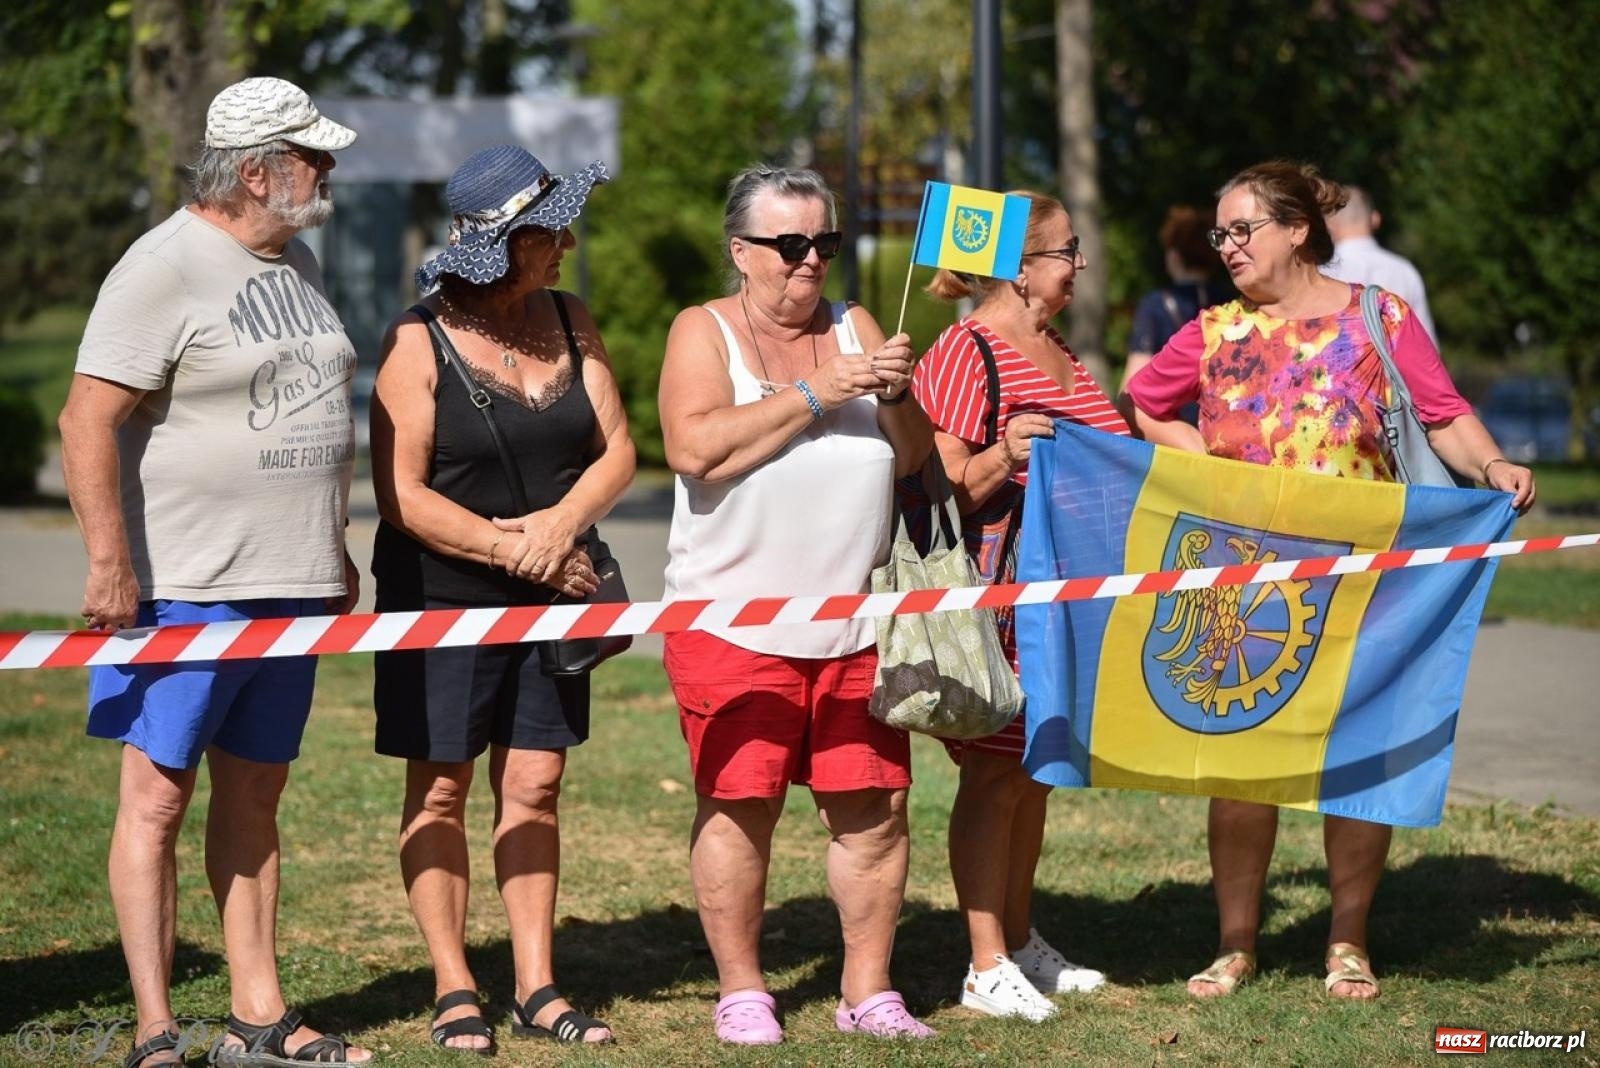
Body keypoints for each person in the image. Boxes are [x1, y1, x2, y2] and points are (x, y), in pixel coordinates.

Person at [1120, 161, 1535, 1002]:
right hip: (1245, 585)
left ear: (1297, 230)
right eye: (1220, 233)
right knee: (1241, 765)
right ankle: (1236, 944)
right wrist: (1205, 469)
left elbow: (1443, 413)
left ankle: (1348, 940)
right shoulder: (1212, 331)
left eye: (1243, 229)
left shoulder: (1379, 317)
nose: (1226, 246)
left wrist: (1492, 465)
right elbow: (1144, 402)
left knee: (1357, 758)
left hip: (1365, 577)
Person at [57, 77, 371, 1068]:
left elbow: (317, 410)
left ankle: (257, 1018)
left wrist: (334, 545)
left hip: (292, 585)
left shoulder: (297, 258)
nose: (327, 168)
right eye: (310, 155)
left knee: (257, 795)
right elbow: (85, 420)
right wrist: (110, 565)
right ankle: (155, 1030)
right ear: (256, 172)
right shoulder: (160, 267)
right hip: (190, 586)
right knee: (157, 799)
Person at [657, 165, 935, 1045]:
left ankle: (869, 990)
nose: (810, 259)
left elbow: (912, 457)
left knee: (875, 810)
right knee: (742, 806)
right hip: (731, 625)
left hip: (856, 623)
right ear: (741, 251)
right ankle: (743, 990)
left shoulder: (857, 324)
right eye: (789, 244)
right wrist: (818, 393)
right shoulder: (702, 330)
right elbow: (694, 450)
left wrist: (895, 394)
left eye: (825, 242)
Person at [368, 144, 632, 1053]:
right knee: (440, 788)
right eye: (551, 231)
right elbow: (401, 496)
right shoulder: (414, 340)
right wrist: (525, 553)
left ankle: (537, 985)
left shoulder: (570, 314)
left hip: (556, 588)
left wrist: (562, 527)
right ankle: (453, 986)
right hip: (440, 595)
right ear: (506, 243)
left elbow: (619, 450)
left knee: (537, 784)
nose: (567, 244)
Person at [912, 192, 1127, 1023]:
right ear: (1021, 267)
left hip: (1062, 599)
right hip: (1002, 600)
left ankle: (1020, 937)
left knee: (1033, 775)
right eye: (1066, 250)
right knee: (996, 775)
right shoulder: (968, 351)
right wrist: (1005, 452)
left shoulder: (1055, 346)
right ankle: (984, 962)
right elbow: (939, 487)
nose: (1080, 263)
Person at [1123, 206, 1223, 416]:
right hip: (1222, 416)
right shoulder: (1230, 301)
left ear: (1175, 256)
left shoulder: (1154, 304)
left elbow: (1133, 381)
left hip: (1174, 423)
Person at [1323, 184, 1436, 343]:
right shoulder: (1405, 271)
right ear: (1375, 219)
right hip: (1396, 359)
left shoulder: (1322, 273)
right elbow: (1425, 343)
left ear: (1329, 225)